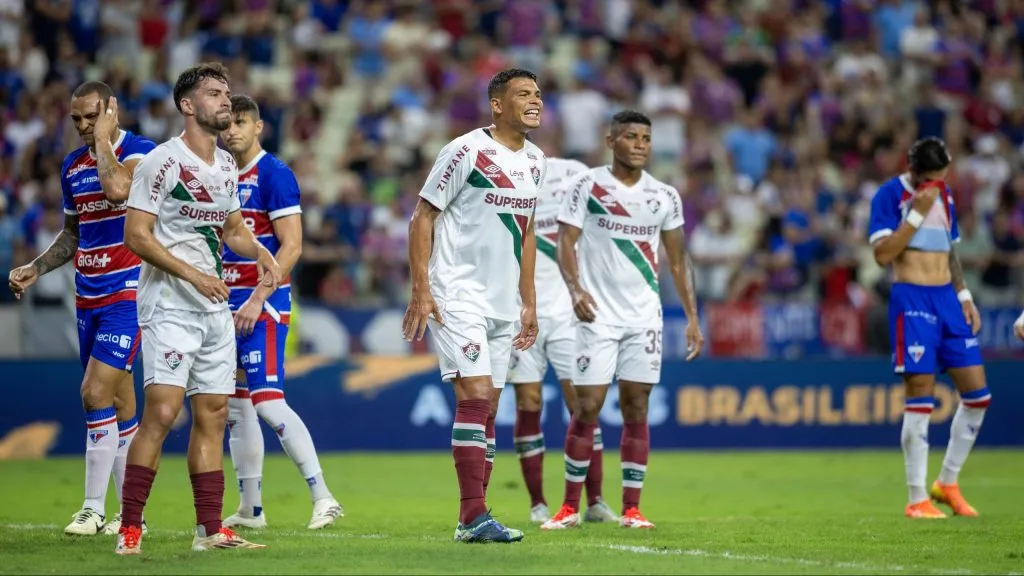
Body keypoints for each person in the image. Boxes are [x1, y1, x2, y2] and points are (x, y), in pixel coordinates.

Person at [115, 62, 278, 554]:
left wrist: (261, 251)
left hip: (213, 309)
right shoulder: (161, 162)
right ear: (188, 105)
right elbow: (135, 236)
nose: (225, 101)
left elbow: (231, 230)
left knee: (211, 414)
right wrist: (194, 275)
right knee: (162, 413)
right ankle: (130, 528)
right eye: (213, 93)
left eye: (227, 93)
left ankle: (210, 530)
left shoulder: (227, 163)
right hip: (169, 304)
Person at [541, 110, 704, 531]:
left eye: (646, 138)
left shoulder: (664, 196)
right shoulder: (588, 185)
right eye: (631, 136)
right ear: (611, 140)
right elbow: (566, 241)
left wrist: (691, 316)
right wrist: (576, 289)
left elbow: (678, 259)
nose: (641, 144)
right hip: (596, 316)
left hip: (643, 318)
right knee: (587, 406)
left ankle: (632, 509)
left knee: (636, 408)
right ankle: (569, 508)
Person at [403, 68, 545, 543]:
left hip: (504, 301)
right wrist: (422, 288)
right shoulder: (465, 150)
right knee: (477, 395)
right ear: (497, 105)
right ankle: (473, 516)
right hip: (457, 291)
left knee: (489, 409)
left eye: (539, 94)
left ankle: (474, 519)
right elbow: (422, 217)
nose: (535, 100)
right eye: (523, 93)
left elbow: (526, 233)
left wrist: (530, 302)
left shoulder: (537, 161)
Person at [8, 81, 154, 536]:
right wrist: (37, 266)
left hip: (128, 293)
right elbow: (74, 233)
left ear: (112, 110)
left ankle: (92, 507)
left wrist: (105, 140)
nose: (84, 126)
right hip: (87, 295)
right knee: (120, 403)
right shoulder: (72, 165)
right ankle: (133, 517)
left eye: (93, 116)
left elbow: (117, 191)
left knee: (93, 393)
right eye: (77, 119)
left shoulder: (140, 154)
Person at [220, 94, 342, 531]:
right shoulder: (219, 173)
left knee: (268, 404)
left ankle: (323, 496)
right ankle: (251, 508)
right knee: (237, 407)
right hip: (224, 306)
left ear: (258, 128)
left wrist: (257, 298)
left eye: (240, 122)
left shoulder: (274, 174)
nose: (231, 129)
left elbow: (292, 247)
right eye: (226, 123)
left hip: (262, 304)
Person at [868, 136, 990, 519]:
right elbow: (882, 255)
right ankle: (917, 497)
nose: (938, 184)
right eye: (933, 178)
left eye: (943, 177)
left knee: (977, 395)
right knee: (920, 394)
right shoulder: (889, 196)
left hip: (947, 300)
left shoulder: (946, 195)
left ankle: (947, 482)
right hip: (913, 299)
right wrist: (916, 215)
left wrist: (965, 295)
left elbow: (949, 250)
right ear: (914, 171)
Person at [506, 157, 617, 525]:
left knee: (583, 403)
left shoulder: (574, 172)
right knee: (528, 399)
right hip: (522, 310)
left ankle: (596, 501)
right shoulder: (504, 176)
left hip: (570, 315)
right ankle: (537, 503)